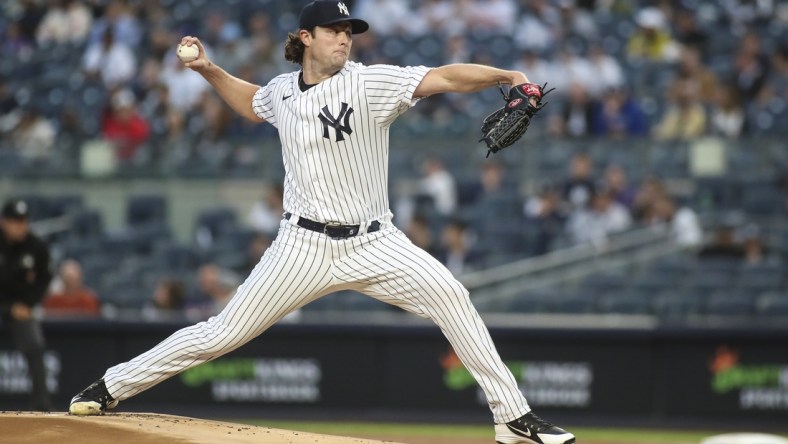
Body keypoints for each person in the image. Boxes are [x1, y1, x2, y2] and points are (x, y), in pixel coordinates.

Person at [68, 3, 574, 443]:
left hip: (375, 241)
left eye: (349, 31)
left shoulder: (370, 82)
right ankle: (112, 385)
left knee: (452, 297)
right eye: (334, 30)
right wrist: (208, 69)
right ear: (306, 37)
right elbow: (252, 103)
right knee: (220, 334)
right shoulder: (283, 92)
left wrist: (506, 78)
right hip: (301, 246)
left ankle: (513, 418)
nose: (345, 38)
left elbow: (442, 76)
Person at [0, 198, 54, 411]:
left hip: (21, 307)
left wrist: (29, 303)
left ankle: (42, 405)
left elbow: (45, 277)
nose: (20, 226)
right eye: (15, 221)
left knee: (35, 344)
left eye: (23, 221)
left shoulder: (35, 246)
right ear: (4, 222)